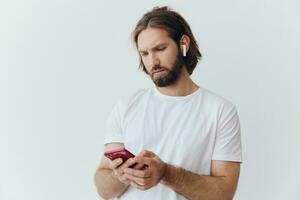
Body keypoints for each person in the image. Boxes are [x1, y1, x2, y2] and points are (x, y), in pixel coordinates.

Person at [94, 6, 242, 200]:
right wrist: (120, 176)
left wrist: (166, 173)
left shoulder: (220, 110)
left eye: (160, 49)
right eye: (144, 54)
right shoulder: (127, 106)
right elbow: (103, 188)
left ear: (183, 44)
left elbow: (224, 193)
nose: (152, 62)